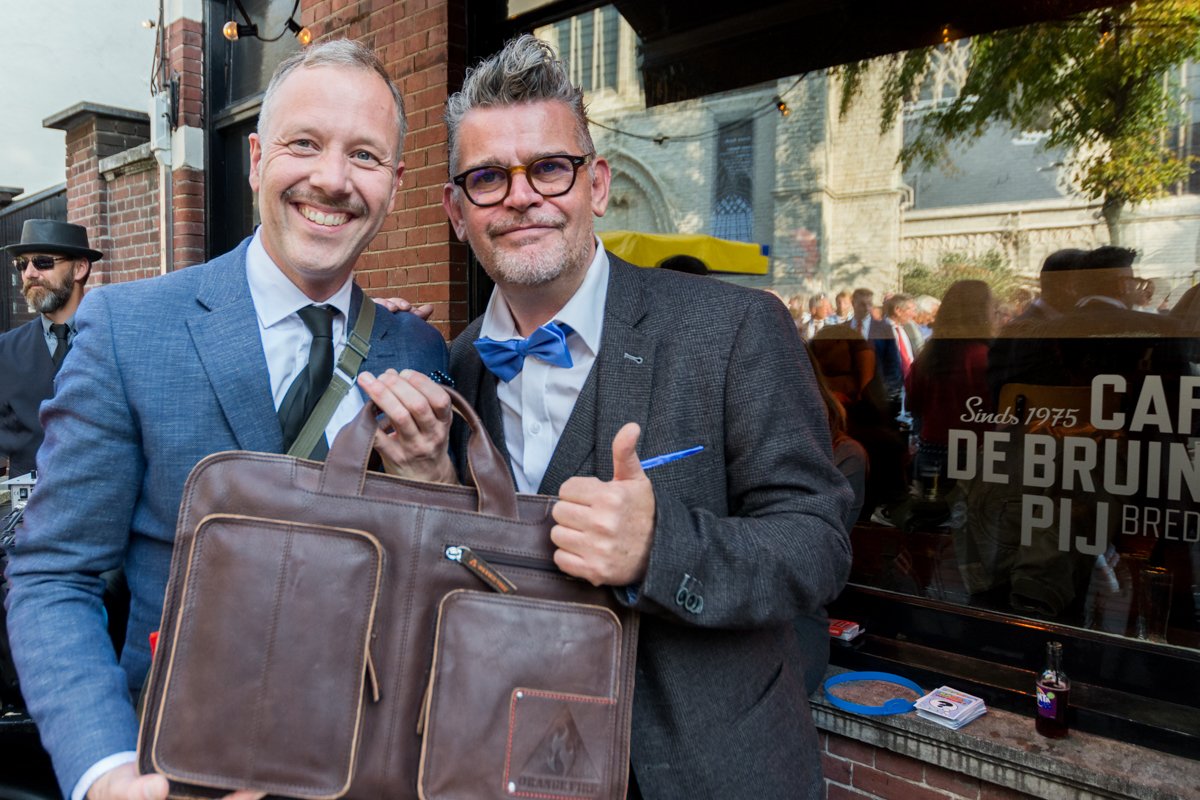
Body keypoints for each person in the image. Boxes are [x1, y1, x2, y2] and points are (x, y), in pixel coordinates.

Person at [364, 34, 852, 800]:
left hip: (714, 775)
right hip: (515, 769)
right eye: (488, 178)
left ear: (595, 185)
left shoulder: (733, 330)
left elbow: (817, 544)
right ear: (456, 212)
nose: (521, 196)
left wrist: (660, 548)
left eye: (549, 168)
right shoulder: (449, 373)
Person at [4, 39, 449, 800]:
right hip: (177, 768)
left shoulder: (417, 349)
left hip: (366, 768)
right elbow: (53, 573)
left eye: (365, 156)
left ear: (396, 184)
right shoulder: (128, 329)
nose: (332, 179)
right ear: (255, 158)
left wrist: (434, 481)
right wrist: (105, 772)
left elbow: (437, 582)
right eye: (304, 144)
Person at [0, 220, 100, 479]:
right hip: (30, 502)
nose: (29, 273)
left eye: (42, 262)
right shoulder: (5, 349)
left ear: (79, 268)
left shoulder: (113, 340)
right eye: (22, 264)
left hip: (102, 494)